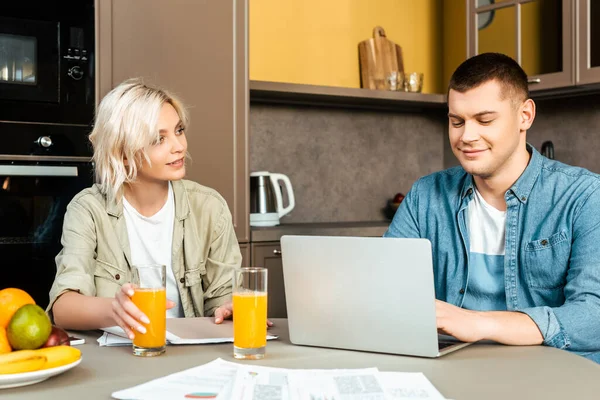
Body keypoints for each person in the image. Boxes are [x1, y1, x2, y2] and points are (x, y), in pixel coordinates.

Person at [385, 53, 600, 362]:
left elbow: (593, 317)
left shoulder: (585, 196)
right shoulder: (425, 194)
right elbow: (387, 292)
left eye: (485, 120)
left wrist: (477, 323)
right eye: (456, 122)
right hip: (454, 368)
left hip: (551, 375)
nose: (466, 137)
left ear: (525, 115)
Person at [48, 79, 243, 340]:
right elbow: (63, 308)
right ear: (124, 153)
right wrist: (114, 309)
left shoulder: (209, 207)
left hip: (192, 355)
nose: (179, 146)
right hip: (122, 357)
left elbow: (222, 296)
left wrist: (229, 308)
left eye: (179, 130)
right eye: (159, 138)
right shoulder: (89, 210)